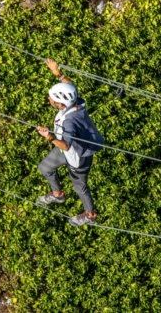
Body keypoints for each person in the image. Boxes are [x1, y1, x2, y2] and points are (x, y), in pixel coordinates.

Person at [36, 59, 103, 226]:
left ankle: (90, 214)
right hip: (64, 151)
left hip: (78, 156)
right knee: (44, 167)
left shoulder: (69, 122)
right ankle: (58, 194)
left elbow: (66, 145)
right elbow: (71, 87)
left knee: (80, 187)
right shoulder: (76, 103)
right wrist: (57, 72)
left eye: (51, 98)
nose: (49, 99)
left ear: (59, 104)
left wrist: (48, 137)